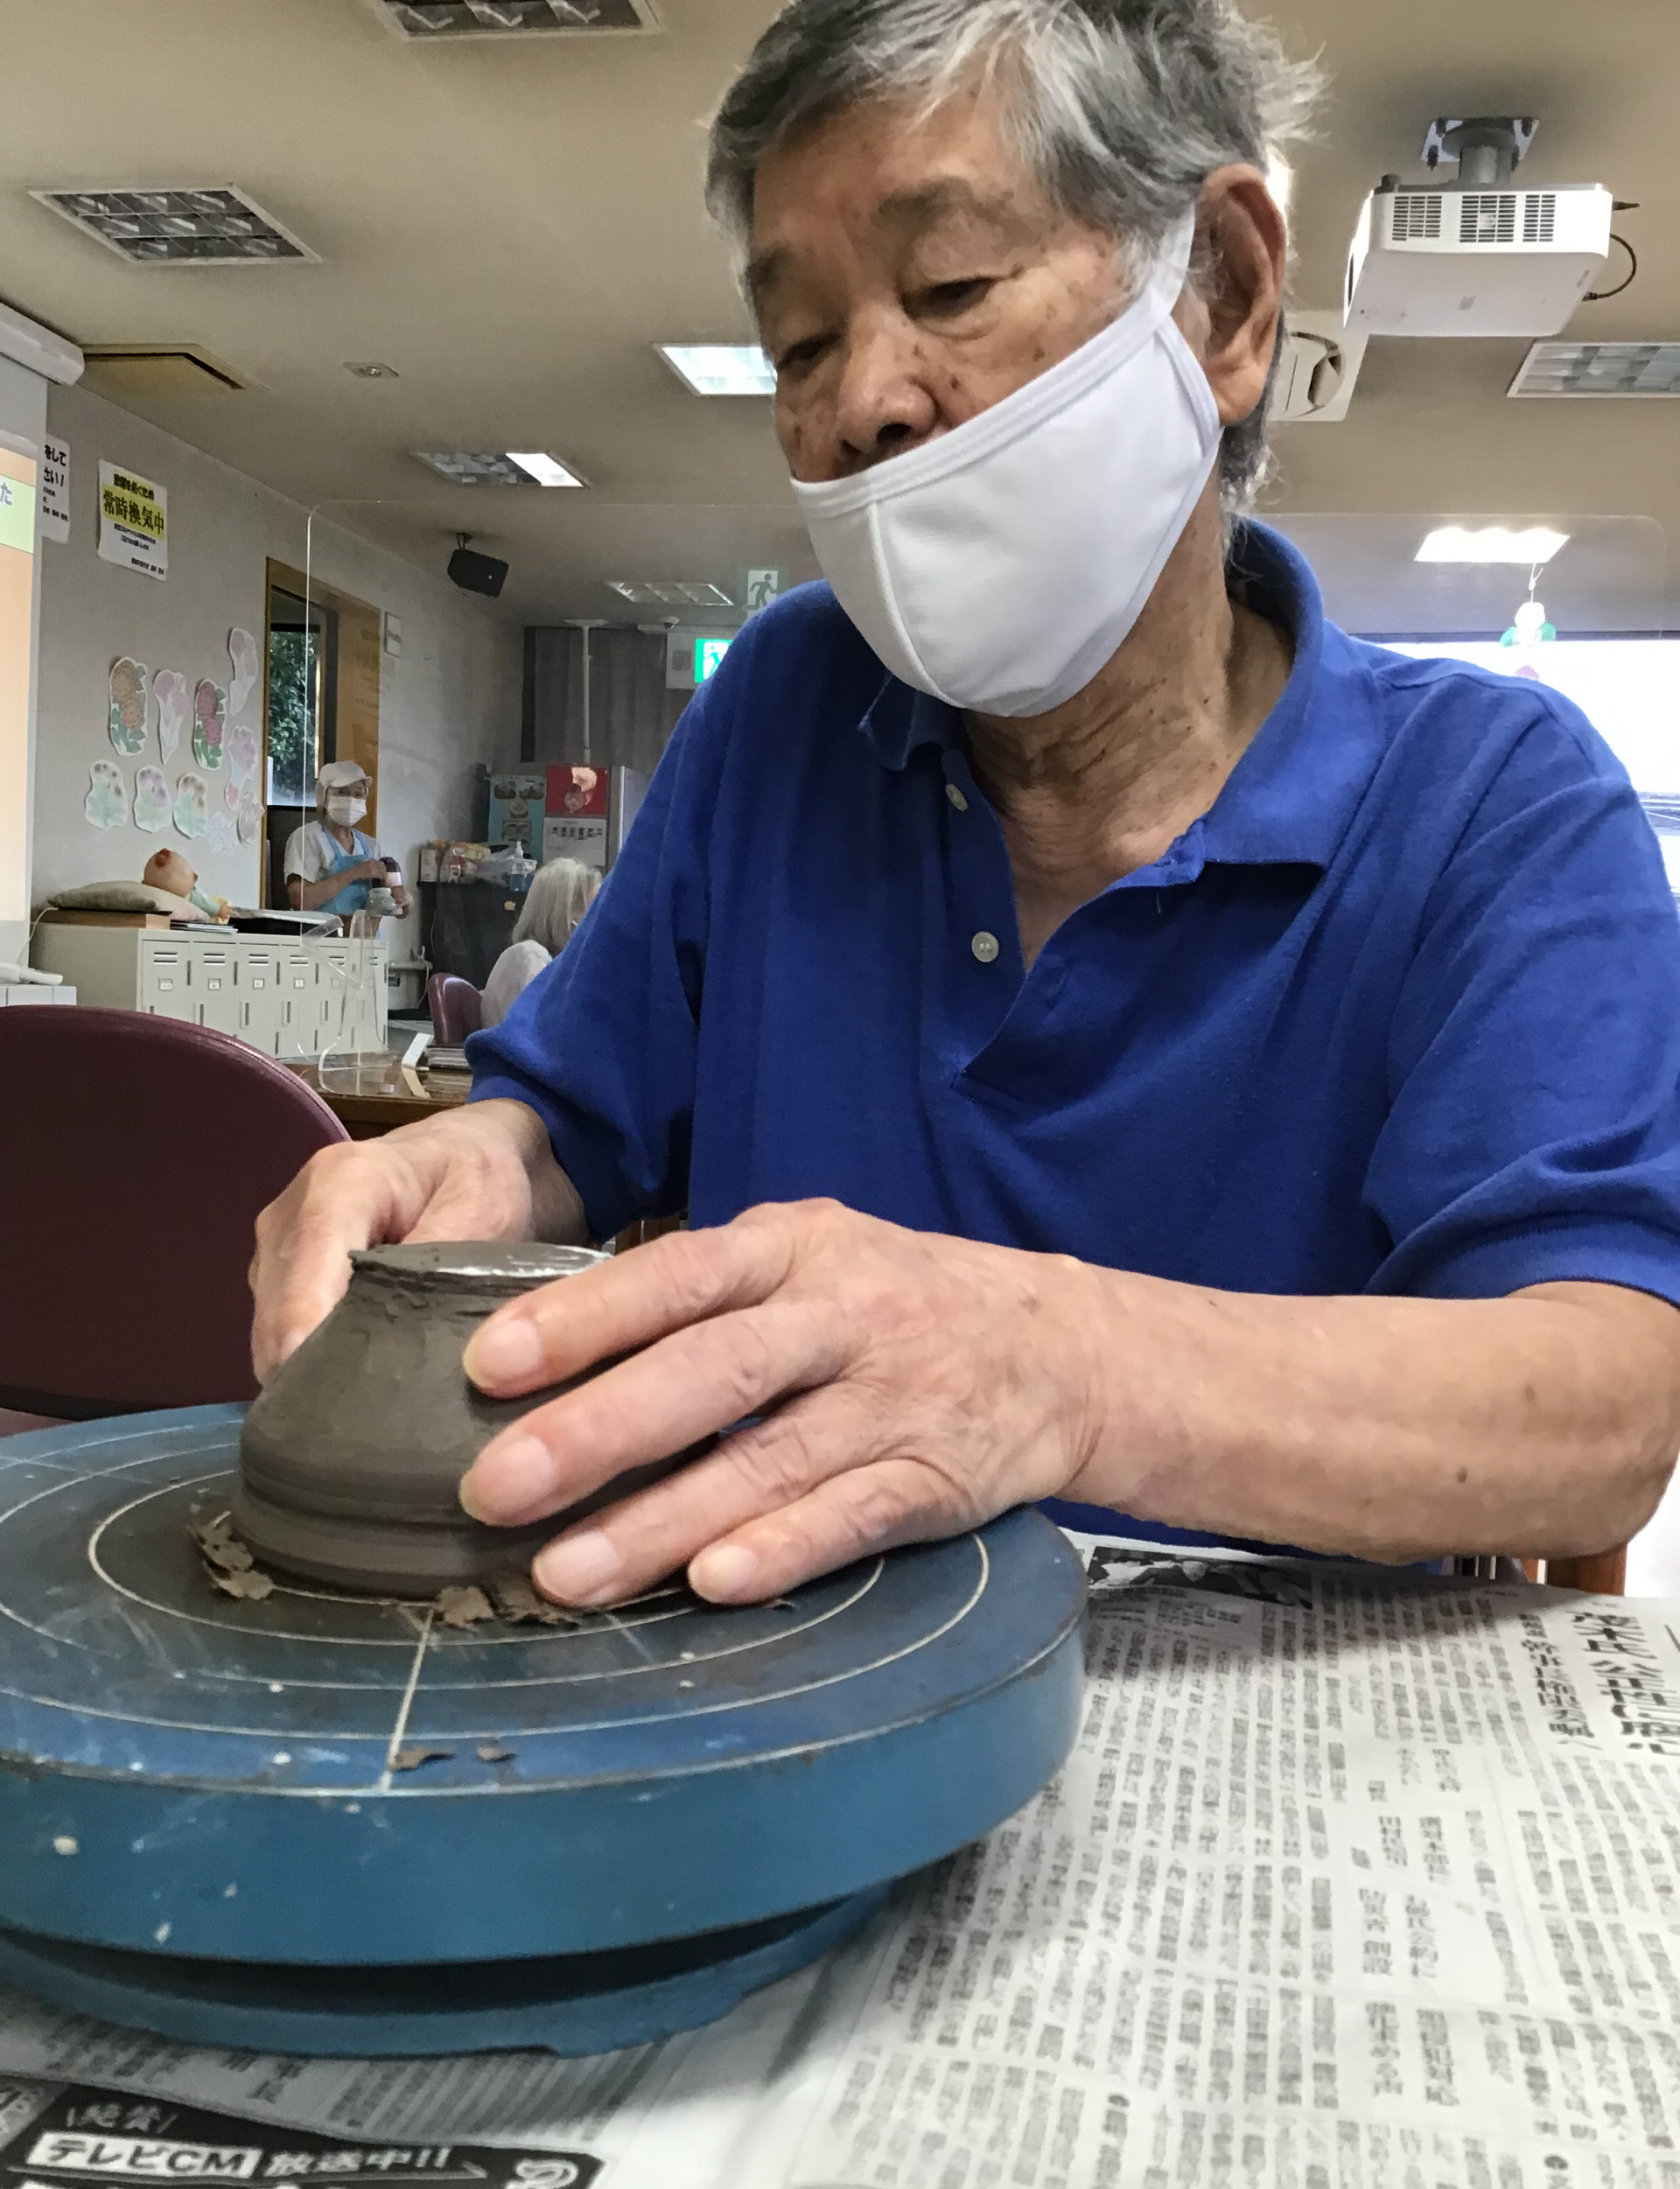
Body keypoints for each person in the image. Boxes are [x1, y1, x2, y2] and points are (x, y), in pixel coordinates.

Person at [253, 0, 1680, 1620]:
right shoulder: (784, 706)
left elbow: (1604, 1406)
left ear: (1223, 298)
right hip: (787, 1679)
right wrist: (465, 1172)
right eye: (799, 345)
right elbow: (568, 1123)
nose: (862, 401)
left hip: (1258, 1724)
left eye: (949, 289)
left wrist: (1055, 1371)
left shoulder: (1495, 802)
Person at [284, 761, 411, 933]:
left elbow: (393, 905)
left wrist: (405, 900)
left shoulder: (372, 846)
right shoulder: (309, 838)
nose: (351, 800)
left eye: (358, 794)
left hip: (367, 943)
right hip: (322, 942)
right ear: (323, 795)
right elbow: (300, 901)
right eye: (342, 793)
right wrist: (355, 873)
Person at [480, 857, 604, 1031]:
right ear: (564, 914)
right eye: (592, 910)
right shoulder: (530, 956)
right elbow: (550, 1029)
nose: (599, 920)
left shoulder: (550, 961)